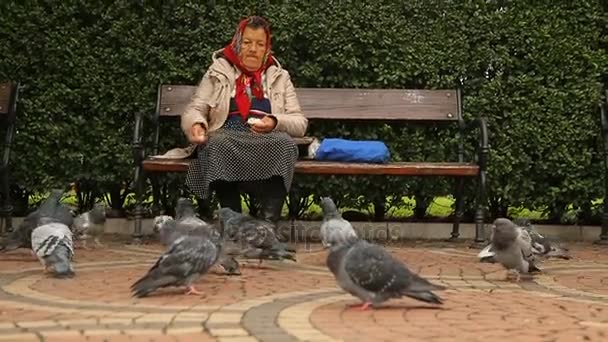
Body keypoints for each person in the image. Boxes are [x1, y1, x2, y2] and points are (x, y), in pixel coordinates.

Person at [181, 16, 308, 225]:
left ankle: (268, 225)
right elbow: (196, 108)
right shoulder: (218, 71)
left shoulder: (280, 77)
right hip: (227, 137)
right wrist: (196, 124)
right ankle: (234, 221)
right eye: (247, 42)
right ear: (237, 43)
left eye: (260, 44)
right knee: (214, 144)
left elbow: (299, 122)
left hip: (266, 139)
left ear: (267, 48)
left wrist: (275, 122)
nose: (253, 49)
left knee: (285, 145)